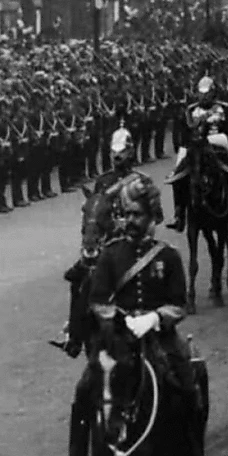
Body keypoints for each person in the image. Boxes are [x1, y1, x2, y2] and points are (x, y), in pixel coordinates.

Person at [51, 173, 216, 456]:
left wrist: (154, 318)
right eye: (126, 214)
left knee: (189, 383)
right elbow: (98, 299)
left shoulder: (167, 256)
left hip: (160, 337)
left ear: (152, 216)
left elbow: (178, 305)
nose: (130, 221)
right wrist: (119, 319)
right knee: (85, 387)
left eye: (136, 214)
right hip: (118, 338)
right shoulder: (112, 255)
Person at [51, 121, 141, 359]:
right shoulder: (102, 182)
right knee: (78, 278)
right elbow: (94, 212)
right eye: (114, 153)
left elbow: (155, 219)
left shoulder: (141, 182)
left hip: (133, 243)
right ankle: (74, 336)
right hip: (108, 244)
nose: (117, 158)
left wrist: (130, 224)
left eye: (122, 153)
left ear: (130, 153)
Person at [165, 75, 228, 236]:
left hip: (217, 142)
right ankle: (179, 214)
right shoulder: (190, 110)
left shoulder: (223, 108)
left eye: (207, 93)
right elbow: (184, 130)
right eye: (201, 93)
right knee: (178, 176)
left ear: (213, 93)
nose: (204, 96)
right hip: (195, 145)